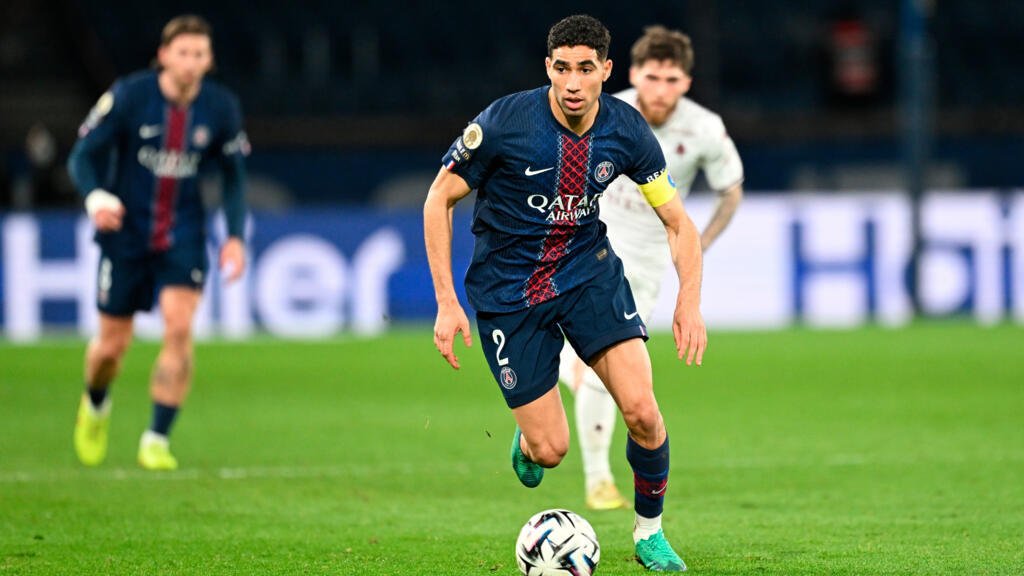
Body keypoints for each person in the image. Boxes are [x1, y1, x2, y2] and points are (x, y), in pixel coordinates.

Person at [424, 14, 705, 572]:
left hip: (587, 276)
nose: (573, 83)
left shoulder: (626, 131)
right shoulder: (504, 123)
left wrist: (689, 301)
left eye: (585, 69)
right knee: (550, 451)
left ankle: (649, 534)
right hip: (509, 293)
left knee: (643, 412)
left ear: (606, 70)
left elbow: (679, 223)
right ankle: (529, 441)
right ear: (547, 68)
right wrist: (447, 302)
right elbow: (439, 199)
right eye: (561, 68)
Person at [560, 25, 745, 511]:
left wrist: (699, 244)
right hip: (586, 244)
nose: (660, 90)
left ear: (687, 82)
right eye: (652, 77)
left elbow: (730, 190)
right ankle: (597, 479)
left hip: (645, 260)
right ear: (633, 74)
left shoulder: (704, 128)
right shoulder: (602, 110)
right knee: (590, 367)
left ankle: (593, 473)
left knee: (600, 370)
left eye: (671, 80)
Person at [68, 14, 249, 471]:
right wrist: (94, 197)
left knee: (179, 328)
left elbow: (234, 177)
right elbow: (82, 155)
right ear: (164, 55)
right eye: (182, 52)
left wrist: (233, 236)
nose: (190, 62)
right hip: (125, 233)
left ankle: (156, 438)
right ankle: (95, 405)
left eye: (199, 54)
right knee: (111, 348)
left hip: (183, 233)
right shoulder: (130, 96)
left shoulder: (221, 107)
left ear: (209, 60)